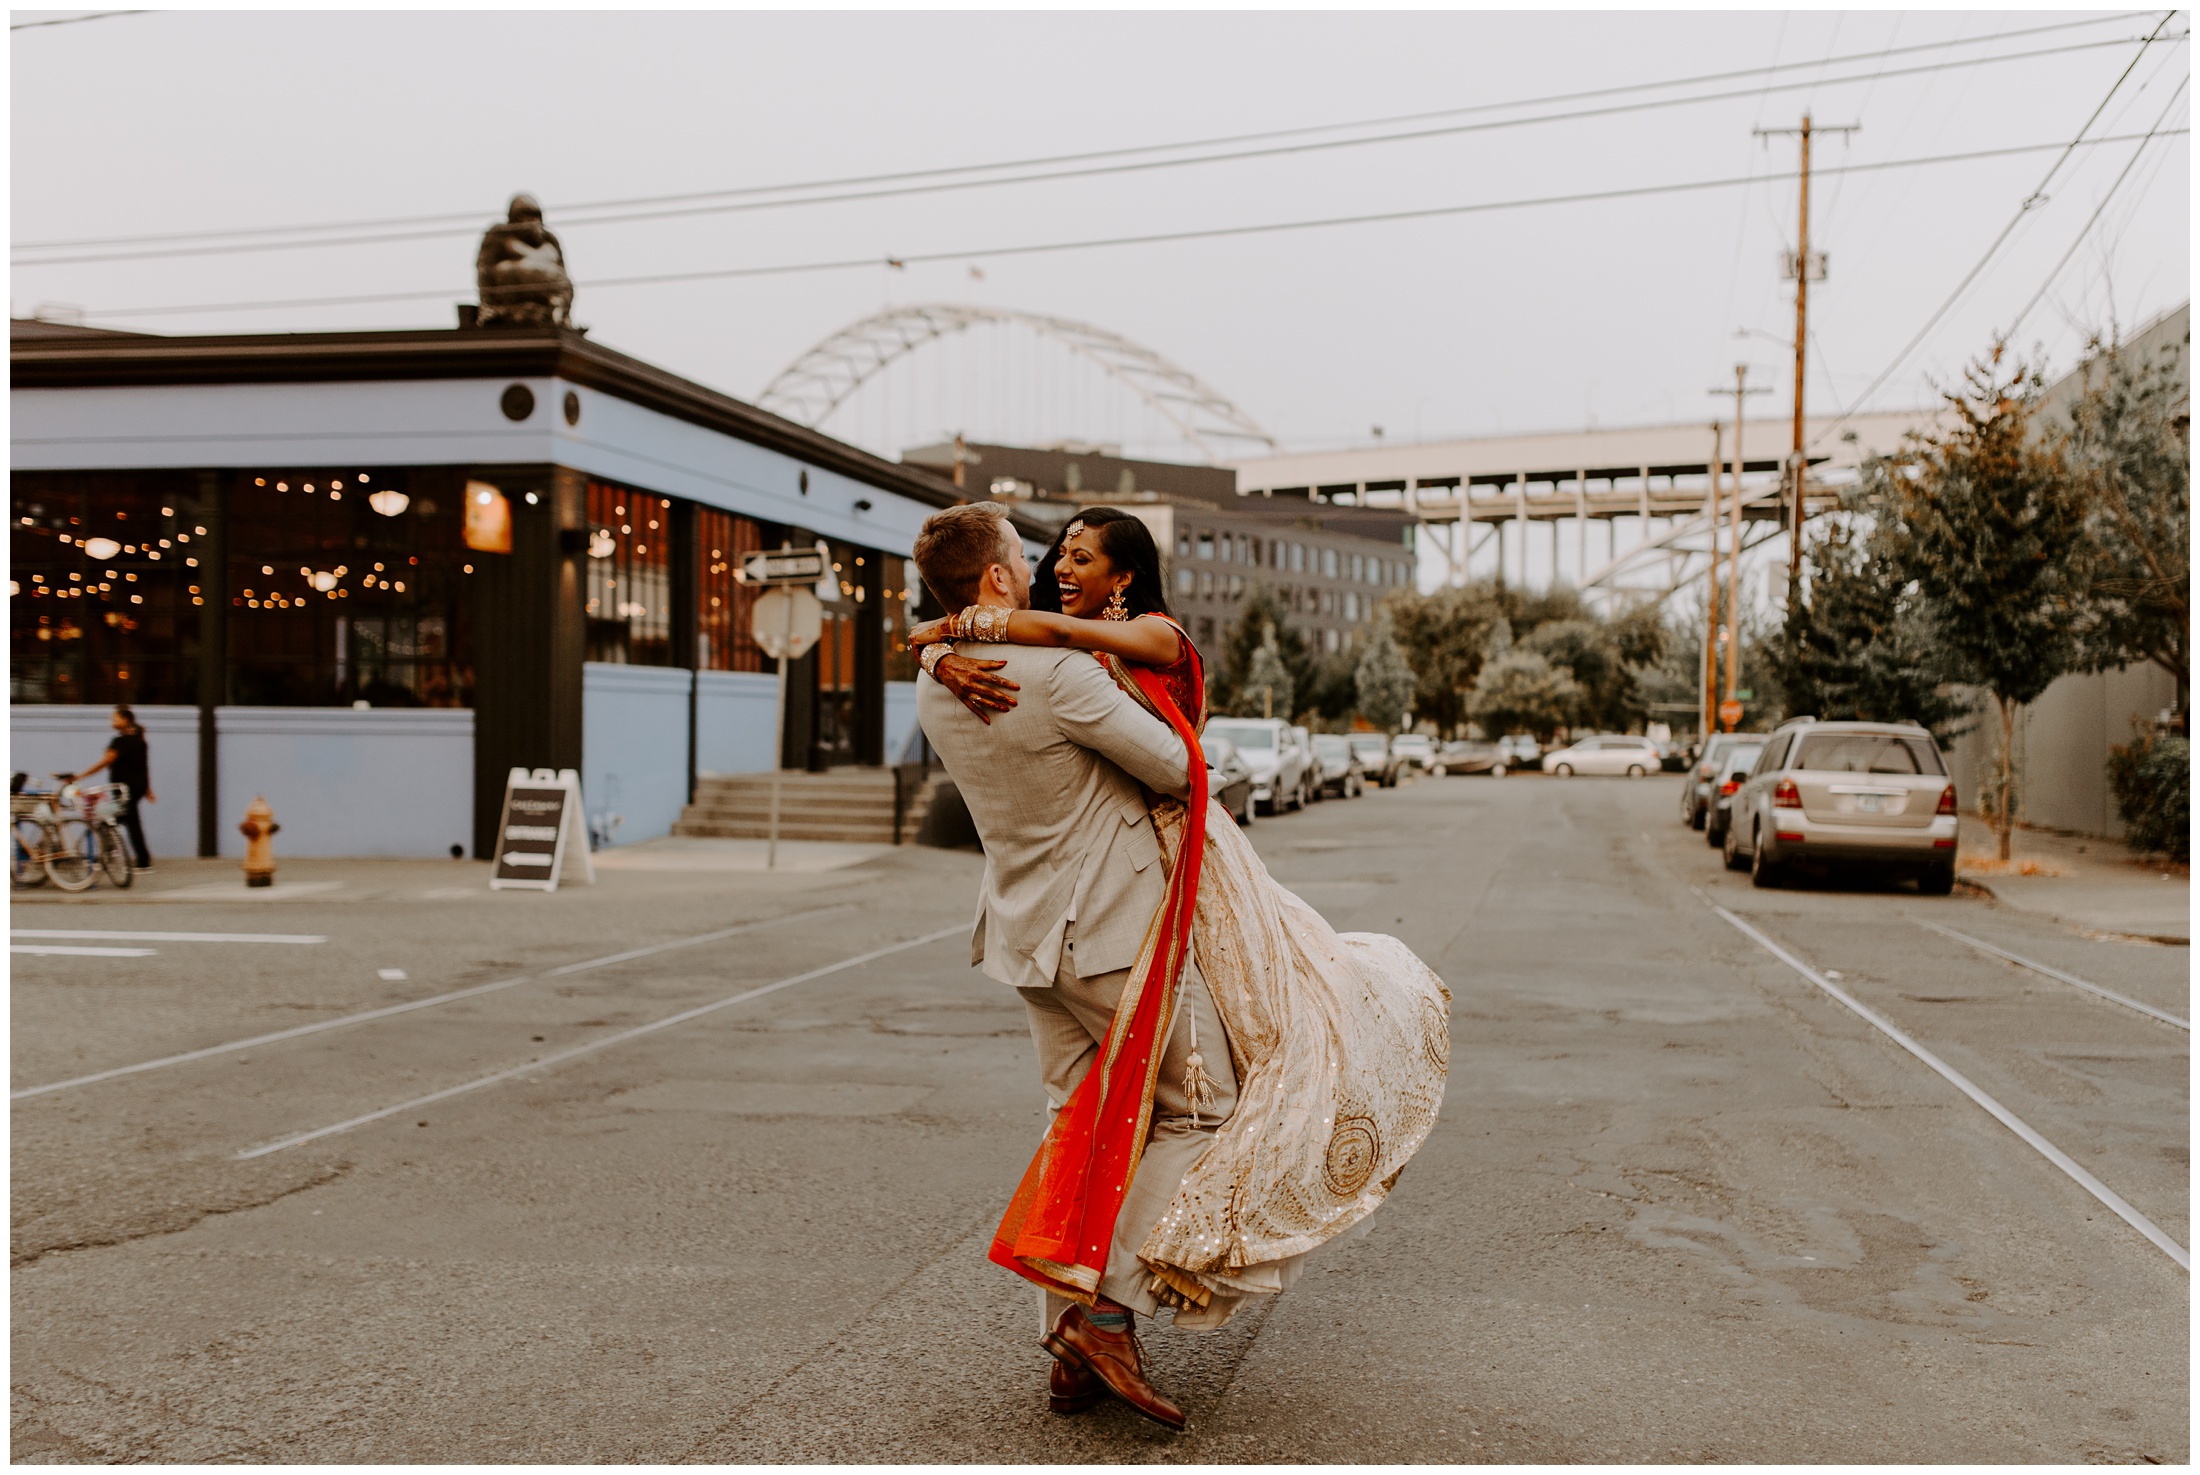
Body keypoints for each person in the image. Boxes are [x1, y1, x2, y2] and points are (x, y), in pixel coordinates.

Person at [913, 505, 1450, 1428]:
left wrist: (930, 646)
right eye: (1024, 553)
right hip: (1112, 932)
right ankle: (1108, 1314)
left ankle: (1069, 1346)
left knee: (1076, 1121)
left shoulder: (940, 683)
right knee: (1199, 1105)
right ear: (996, 581)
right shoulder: (1064, 678)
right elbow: (1176, 768)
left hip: (1027, 939)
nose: (1040, 564)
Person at [69, 705, 153, 870]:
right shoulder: (139, 739)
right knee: (127, 821)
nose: (112, 722)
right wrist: (148, 789)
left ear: (125, 720)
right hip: (136, 788)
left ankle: (107, 857)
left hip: (125, 789)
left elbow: (104, 762)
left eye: (115, 718)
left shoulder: (121, 742)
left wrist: (79, 776)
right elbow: (144, 766)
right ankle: (138, 860)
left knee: (109, 819)